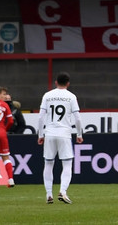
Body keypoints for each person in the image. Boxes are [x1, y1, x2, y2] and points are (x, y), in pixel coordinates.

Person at [38, 72, 84, 204]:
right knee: (67, 164)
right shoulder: (71, 97)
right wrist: (79, 134)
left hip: (50, 133)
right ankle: (63, 192)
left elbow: (41, 117)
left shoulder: (47, 95)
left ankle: (48, 194)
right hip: (64, 134)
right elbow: (77, 118)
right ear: (68, 83)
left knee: (48, 164)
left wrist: (41, 135)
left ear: (56, 82)